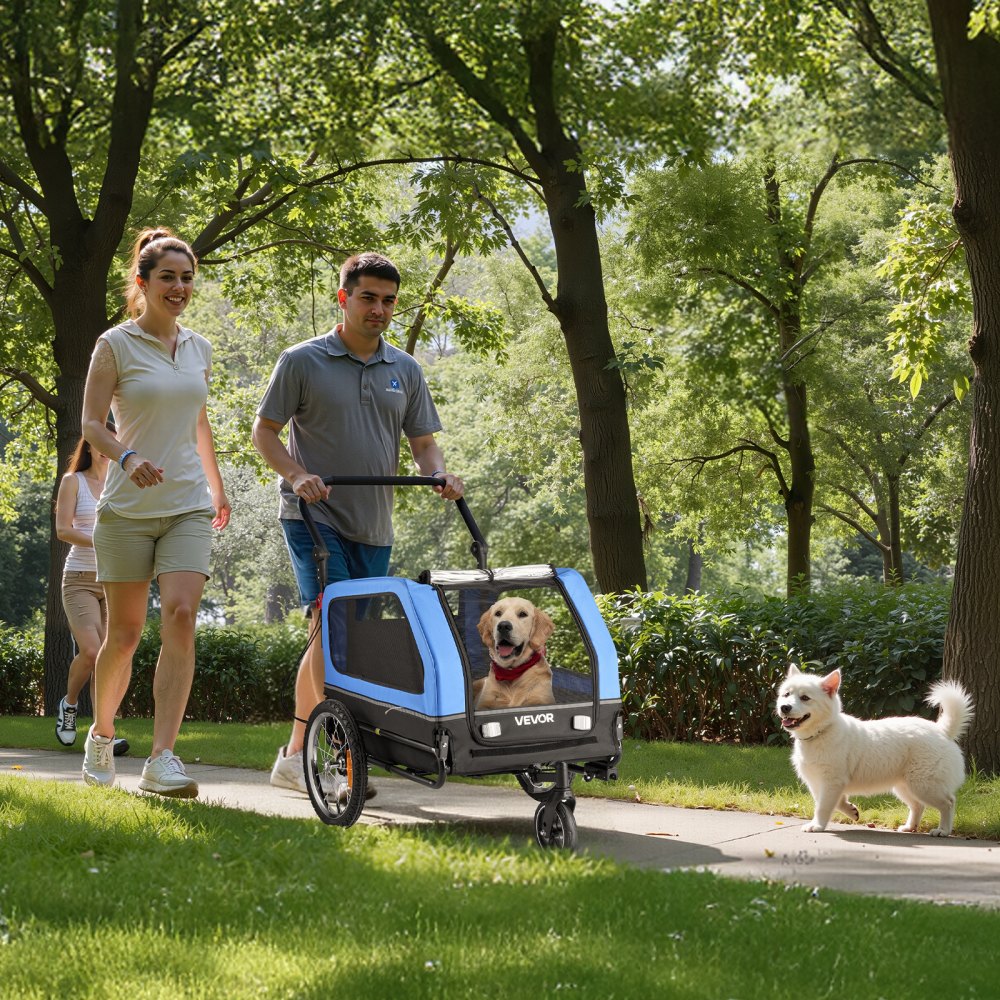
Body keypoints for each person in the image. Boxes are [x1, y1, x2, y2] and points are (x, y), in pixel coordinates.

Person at [252, 251, 464, 795]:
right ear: (344, 298)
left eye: (389, 300)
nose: (379, 309)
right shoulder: (302, 360)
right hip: (312, 516)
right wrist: (297, 475)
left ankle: (294, 756)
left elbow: (423, 444)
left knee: (342, 641)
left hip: (375, 524)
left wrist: (440, 475)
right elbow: (265, 434)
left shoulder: (405, 370)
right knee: (334, 631)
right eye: (368, 297)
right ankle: (329, 758)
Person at [79, 227, 231, 797]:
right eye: (167, 277)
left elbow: (198, 420)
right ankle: (102, 733)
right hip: (126, 508)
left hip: (187, 504)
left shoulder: (199, 348)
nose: (179, 287)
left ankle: (162, 758)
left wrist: (216, 487)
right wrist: (127, 454)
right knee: (124, 635)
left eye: (187, 277)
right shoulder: (113, 344)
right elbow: (92, 424)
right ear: (142, 284)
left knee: (183, 615)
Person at [53, 428, 128, 756]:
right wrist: (101, 540)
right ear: (90, 446)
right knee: (92, 651)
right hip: (79, 579)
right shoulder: (74, 482)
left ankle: (103, 734)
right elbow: (63, 530)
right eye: (99, 445)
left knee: (110, 657)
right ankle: (68, 706)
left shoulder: (121, 485)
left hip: (114, 580)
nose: (104, 451)